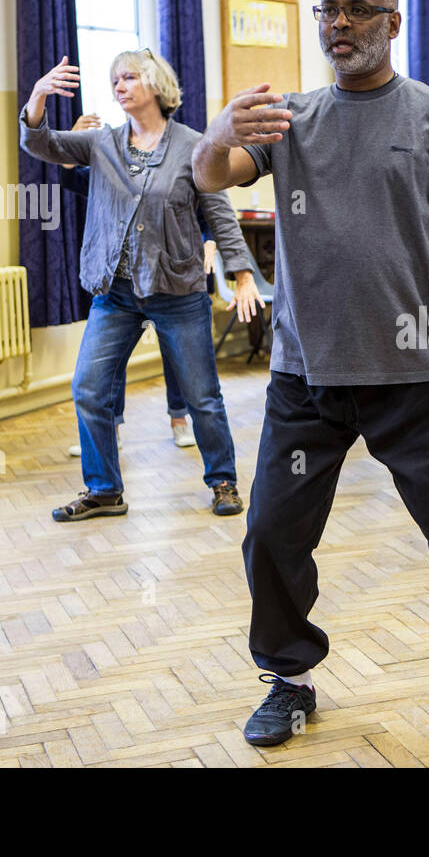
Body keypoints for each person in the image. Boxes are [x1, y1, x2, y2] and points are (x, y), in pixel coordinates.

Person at [192, 0, 429, 747]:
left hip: (420, 375)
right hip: (306, 376)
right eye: (329, 12)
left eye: (358, 11)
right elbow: (210, 174)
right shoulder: (290, 122)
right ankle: (288, 677)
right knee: (273, 536)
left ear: (393, 22)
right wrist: (218, 128)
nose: (339, 25)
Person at [19, 48, 262, 521]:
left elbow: (219, 213)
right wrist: (37, 98)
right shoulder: (102, 143)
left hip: (177, 290)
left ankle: (224, 481)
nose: (119, 85)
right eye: (115, 79)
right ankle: (105, 490)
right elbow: (42, 144)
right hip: (116, 292)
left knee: (201, 395)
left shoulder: (195, 144)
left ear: (156, 86)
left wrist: (243, 274)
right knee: (89, 388)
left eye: (129, 77)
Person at [59, 114, 217, 455]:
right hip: (121, 283)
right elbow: (73, 180)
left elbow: (208, 209)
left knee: (180, 361)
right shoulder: (114, 157)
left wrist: (210, 243)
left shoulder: (184, 147)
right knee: (106, 366)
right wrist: (70, 143)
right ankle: (110, 429)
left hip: (172, 278)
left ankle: (179, 419)